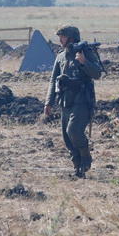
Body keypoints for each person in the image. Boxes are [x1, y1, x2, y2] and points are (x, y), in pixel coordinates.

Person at [44, 25, 102, 178]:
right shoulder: (61, 56)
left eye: (62, 36)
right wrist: (48, 102)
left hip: (82, 100)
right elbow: (53, 80)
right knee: (67, 137)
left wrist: (84, 62)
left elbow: (97, 73)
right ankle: (78, 166)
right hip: (65, 100)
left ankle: (85, 157)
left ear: (71, 37)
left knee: (74, 131)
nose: (60, 39)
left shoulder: (85, 52)